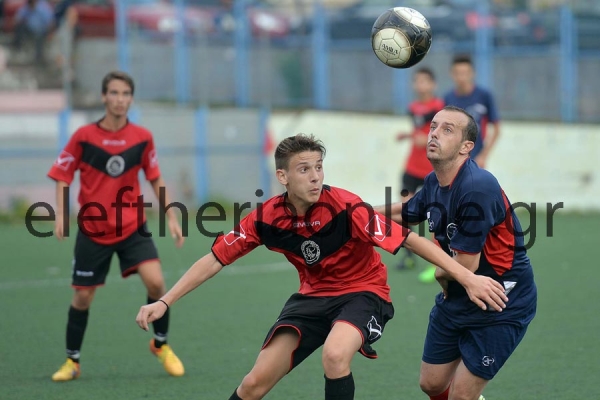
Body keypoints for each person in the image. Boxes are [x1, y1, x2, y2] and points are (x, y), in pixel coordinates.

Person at [135, 133, 508, 400]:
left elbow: (410, 239)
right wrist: (165, 301)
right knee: (252, 385)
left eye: (318, 167)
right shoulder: (265, 219)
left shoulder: (346, 207)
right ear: (282, 177)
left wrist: (465, 276)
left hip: (364, 294)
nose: (315, 176)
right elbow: (214, 259)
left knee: (334, 354)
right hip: (312, 299)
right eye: (303, 169)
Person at [381, 106, 537, 400]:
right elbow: (408, 212)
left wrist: (441, 276)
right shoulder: (433, 181)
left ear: (467, 147)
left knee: (462, 395)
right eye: (434, 127)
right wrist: (353, 213)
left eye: (447, 129)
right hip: (459, 293)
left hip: (500, 299)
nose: (435, 133)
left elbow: (462, 266)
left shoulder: (477, 187)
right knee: (431, 383)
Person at [48, 71, 186, 381]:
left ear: (131, 99)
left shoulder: (142, 137)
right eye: (113, 93)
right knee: (82, 297)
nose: (119, 99)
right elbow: (62, 174)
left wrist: (172, 217)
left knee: (156, 284)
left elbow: (155, 177)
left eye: (125, 94)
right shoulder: (84, 137)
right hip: (93, 230)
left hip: (132, 227)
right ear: (103, 97)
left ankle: (160, 345)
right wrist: (60, 213)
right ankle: (72, 362)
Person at [395, 67, 444, 283]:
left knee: (436, 214)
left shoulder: (440, 108)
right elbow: (418, 130)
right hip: (411, 169)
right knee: (405, 210)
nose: (421, 85)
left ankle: (439, 263)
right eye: (417, 81)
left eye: (425, 81)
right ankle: (408, 255)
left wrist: (427, 140)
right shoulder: (412, 107)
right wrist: (408, 135)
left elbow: (439, 134)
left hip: (431, 170)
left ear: (433, 85)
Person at [444, 55, 500, 169]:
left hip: (476, 161)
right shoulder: (447, 99)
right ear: (452, 74)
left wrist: (483, 156)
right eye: (457, 73)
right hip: (453, 163)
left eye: (465, 73)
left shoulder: (484, 96)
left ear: (472, 73)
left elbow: (496, 129)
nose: (461, 77)